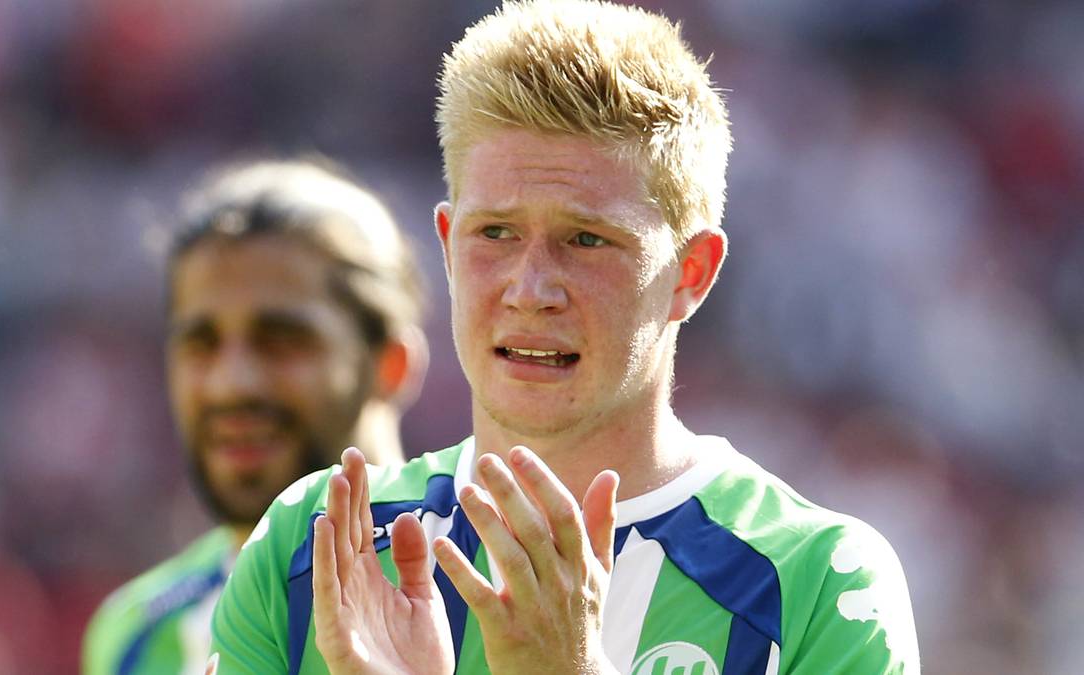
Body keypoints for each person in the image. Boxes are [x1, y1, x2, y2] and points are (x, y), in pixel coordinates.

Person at [208, 1, 921, 673]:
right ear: (448, 246)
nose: (530, 289)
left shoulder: (819, 582)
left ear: (691, 273)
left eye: (586, 239)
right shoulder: (311, 546)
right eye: (496, 233)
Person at [81, 160, 428, 675]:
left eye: (281, 340)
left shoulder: (491, 587)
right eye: (201, 343)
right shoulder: (136, 635)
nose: (232, 384)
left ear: (391, 365)